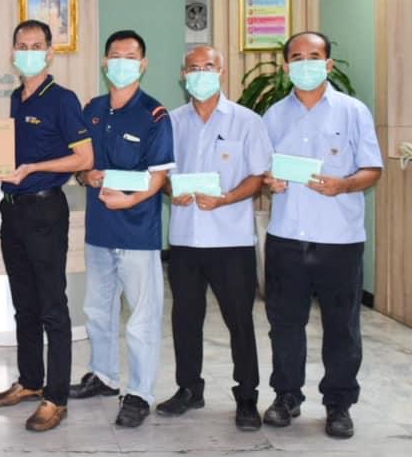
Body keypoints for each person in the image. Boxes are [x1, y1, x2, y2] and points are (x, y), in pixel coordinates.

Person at [261, 31, 382, 439]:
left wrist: (344, 185)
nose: (305, 63)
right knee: (284, 323)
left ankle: (339, 404)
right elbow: (264, 169)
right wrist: (270, 181)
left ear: (328, 64)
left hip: (339, 238)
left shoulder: (352, 111)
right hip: (286, 236)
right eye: (297, 57)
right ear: (286, 66)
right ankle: (286, 396)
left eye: (314, 56)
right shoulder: (273, 115)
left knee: (341, 326)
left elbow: (372, 169)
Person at [157, 45, 271, 430]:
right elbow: (162, 175)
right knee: (185, 319)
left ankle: (247, 397)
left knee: (239, 321)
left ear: (221, 71)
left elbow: (258, 176)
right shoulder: (172, 122)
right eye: (193, 67)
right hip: (185, 239)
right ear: (183, 74)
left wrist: (226, 198)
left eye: (208, 66)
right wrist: (171, 190)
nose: (200, 73)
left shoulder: (247, 121)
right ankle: (189, 389)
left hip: (231, 241)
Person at [0, 20, 93, 432]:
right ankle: (30, 381)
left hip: (45, 210)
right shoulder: (17, 97)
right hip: (13, 210)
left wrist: (33, 168)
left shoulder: (62, 99)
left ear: (49, 53)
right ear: (13, 52)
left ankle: (56, 397)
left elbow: (84, 158)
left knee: (52, 306)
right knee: (24, 303)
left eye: (37, 45)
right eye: (22, 45)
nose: (28, 51)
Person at [69, 29, 174, 429]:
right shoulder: (92, 109)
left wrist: (129, 201)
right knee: (97, 309)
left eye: (131, 57)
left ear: (143, 65)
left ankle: (140, 393)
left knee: (142, 318)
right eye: (115, 55)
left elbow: (159, 177)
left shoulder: (154, 114)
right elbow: (81, 164)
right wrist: (86, 177)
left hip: (137, 232)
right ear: (104, 62)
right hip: (99, 230)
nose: (122, 62)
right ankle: (104, 375)